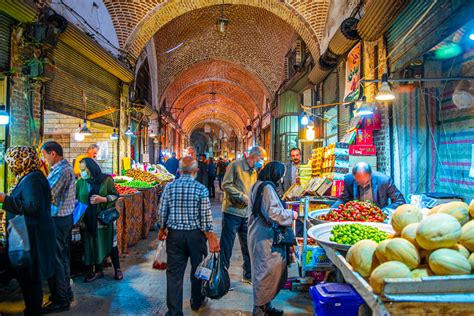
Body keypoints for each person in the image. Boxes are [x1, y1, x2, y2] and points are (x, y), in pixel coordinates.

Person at [158, 156, 220, 315]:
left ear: (179, 170)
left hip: (175, 236)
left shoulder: (170, 188)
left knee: (174, 274)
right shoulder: (201, 189)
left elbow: (162, 212)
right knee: (198, 269)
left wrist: (162, 228)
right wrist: (211, 237)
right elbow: (206, 218)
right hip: (196, 236)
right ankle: (197, 301)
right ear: (196, 171)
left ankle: (174, 312)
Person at [0, 146, 56, 315]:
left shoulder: (32, 179)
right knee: (30, 277)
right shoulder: (32, 177)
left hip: (32, 236)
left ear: (20, 161)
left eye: (12, 161)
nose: (10, 165)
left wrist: (4, 199)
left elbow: (33, 207)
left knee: (31, 278)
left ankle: (32, 311)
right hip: (31, 234)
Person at [248, 162, 297, 316]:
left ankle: (266, 306)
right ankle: (259, 309)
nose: (282, 179)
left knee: (267, 272)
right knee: (265, 273)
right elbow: (272, 213)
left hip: (259, 235)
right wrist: (291, 215)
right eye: (281, 175)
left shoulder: (259, 184)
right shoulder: (267, 188)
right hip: (265, 238)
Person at [220, 146, 266, 284]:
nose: (262, 161)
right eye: (261, 158)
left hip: (247, 214)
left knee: (248, 245)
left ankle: (248, 274)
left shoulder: (255, 171)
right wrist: (241, 196)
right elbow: (225, 185)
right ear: (254, 156)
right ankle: (222, 277)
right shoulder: (235, 166)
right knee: (227, 246)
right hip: (232, 212)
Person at [40, 141, 76, 313]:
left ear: (53, 153)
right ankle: (66, 293)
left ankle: (61, 299)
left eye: (45, 155)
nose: (44, 159)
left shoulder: (61, 171)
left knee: (56, 260)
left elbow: (48, 193)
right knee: (62, 257)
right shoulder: (65, 168)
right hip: (65, 218)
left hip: (58, 219)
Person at [76, 158, 123, 282]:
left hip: (104, 219)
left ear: (91, 168)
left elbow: (115, 195)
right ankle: (98, 270)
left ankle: (117, 269)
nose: (82, 172)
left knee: (110, 243)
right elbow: (77, 200)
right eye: (81, 170)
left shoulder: (106, 180)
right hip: (88, 220)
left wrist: (102, 199)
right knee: (93, 244)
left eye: (84, 169)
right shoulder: (80, 183)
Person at [332, 162, 406, 216]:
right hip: (356, 216)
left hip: (377, 217)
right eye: (359, 183)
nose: (363, 186)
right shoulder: (349, 179)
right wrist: (332, 210)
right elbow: (343, 199)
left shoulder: (384, 181)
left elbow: (400, 201)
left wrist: (381, 212)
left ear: (371, 175)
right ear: (354, 177)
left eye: (366, 182)